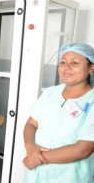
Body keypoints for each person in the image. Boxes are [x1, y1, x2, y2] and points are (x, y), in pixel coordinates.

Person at [23, 43, 94, 183]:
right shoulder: (50, 92)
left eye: (75, 62)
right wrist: (30, 148)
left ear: (91, 68)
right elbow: (31, 123)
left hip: (70, 174)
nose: (67, 67)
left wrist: (36, 158)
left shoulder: (91, 100)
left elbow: (83, 150)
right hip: (36, 171)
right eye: (63, 62)